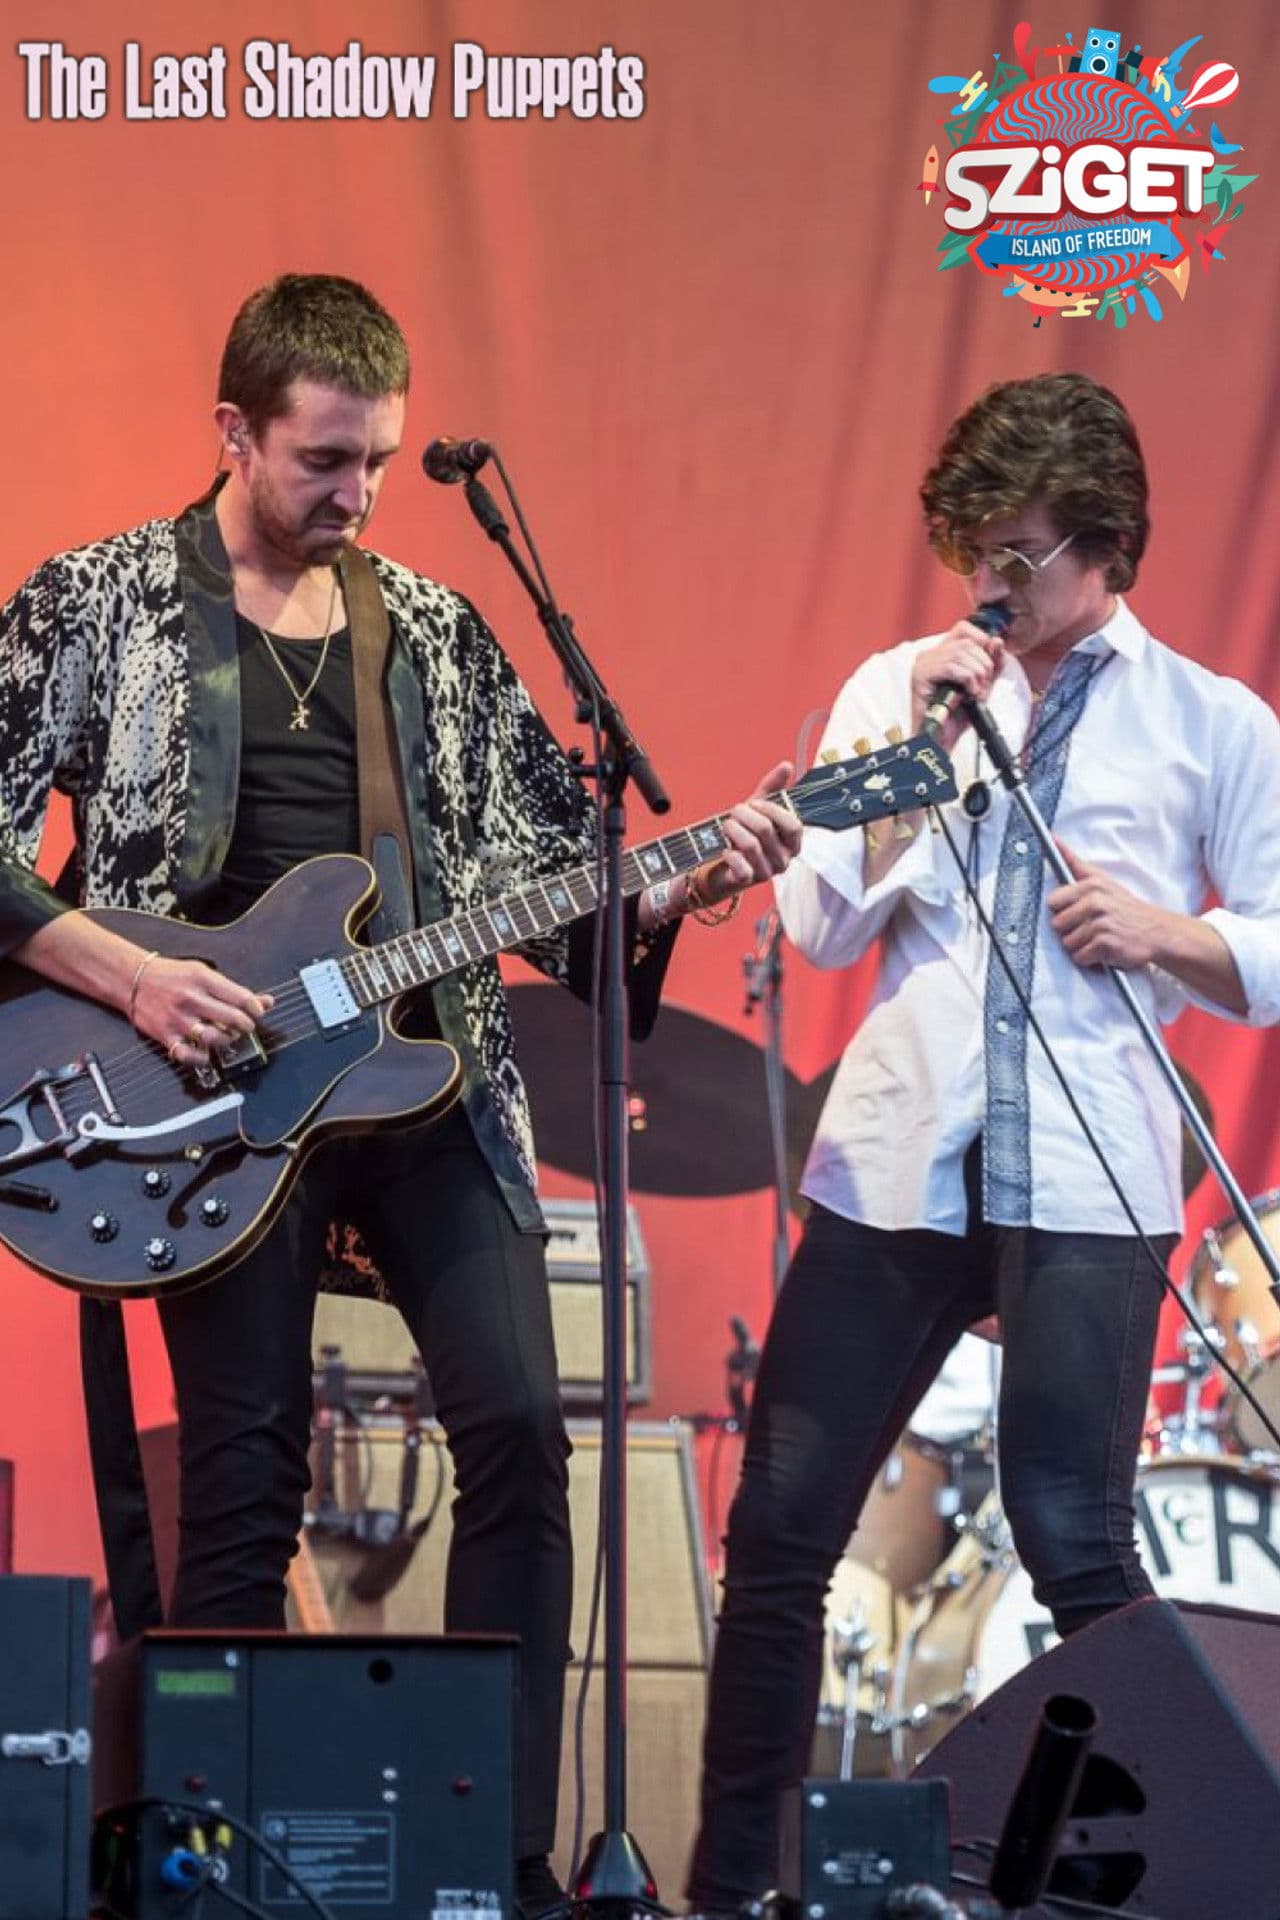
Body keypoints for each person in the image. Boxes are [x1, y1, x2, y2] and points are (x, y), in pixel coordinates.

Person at [0, 273, 801, 1915]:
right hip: (200, 1099)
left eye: (375, 463)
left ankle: (490, 1858)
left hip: (421, 1072)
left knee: (522, 1431)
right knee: (244, 1477)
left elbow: (552, 884)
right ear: (234, 429)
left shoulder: (431, 627)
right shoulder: (94, 604)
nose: (353, 497)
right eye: (321, 463)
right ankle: (210, 1869)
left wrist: (683, 879)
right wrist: (131, 973)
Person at [687, 371, 1280, 1911]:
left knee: (1075, 1535)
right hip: (898, 1161)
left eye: (1016, 556)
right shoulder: (905, 686)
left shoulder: (1210, 720)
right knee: (780, 1534)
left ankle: (1130, 1884)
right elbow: (817, 924)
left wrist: (1168, 935)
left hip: (1091, 1180)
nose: (989, 587)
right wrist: (912, 786)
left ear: (1102, 545)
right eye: (974, 553)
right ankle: (727, 1881)